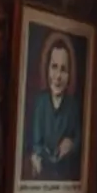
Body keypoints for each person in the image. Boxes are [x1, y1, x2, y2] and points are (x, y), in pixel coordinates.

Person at [27, 31, 82, 181]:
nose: (58, 76)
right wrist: (38, 156)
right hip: (44, 172)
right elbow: (36, 143)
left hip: (65, 174)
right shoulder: (41, 103)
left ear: (70, 74)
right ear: (47, 68)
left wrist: (71, 145)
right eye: (54, 67)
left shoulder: (72, 106)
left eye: (63, 70)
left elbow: (78, 139)